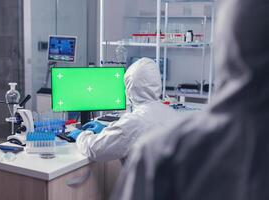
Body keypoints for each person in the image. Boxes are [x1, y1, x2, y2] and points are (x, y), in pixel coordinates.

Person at [111, 0, 269, 199]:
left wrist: (83, 136)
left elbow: (97, 148)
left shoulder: (162, 154)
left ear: (225, 46)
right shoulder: (168, 120)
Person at [69, 57, 183, 161]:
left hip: (143, 183)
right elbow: (133, 131)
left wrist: (81, 136)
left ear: (130, 88)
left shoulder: (135, 121)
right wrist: (107, 128)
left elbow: (95, 149)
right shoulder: (171, 113)